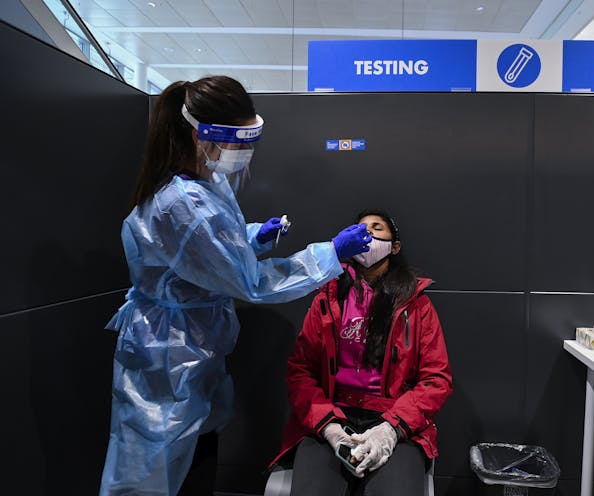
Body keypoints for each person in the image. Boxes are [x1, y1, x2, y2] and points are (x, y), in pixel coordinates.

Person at [99, 75, 371, 496]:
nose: (244, 151)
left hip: (191, 351)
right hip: (167, 357)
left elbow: (205, 257)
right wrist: (331, 254)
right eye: (239, 138)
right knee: (150, 477)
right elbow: (249, 282)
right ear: (201, 134)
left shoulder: (207, 183)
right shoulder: (182, 205)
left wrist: (251, 238)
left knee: (195, 459)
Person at [270, 209, 453, 496]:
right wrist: (330, 428)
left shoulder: (416, 305)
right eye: (360, 229)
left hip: (394, 420)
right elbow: (300, 371)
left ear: (394, 246)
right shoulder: (327, 297)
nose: (366, 233)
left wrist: (390, 431)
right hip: (331, 416)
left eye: (376, 228)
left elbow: (436, 380)